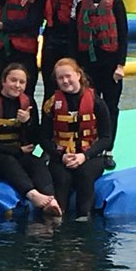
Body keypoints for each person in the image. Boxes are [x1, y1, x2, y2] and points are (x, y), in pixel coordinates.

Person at [0, 62, 62, 216]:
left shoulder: (27, 103)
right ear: (3, 81)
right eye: (13, 80)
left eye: (22, 82)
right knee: (7, 161)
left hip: (14, 154)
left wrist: (27, 123)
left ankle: (51, 201)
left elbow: (34, 140)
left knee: (36, 162)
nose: (17, 85)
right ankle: (32, 194)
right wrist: (17, 151)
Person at [41, 58, 114, 221]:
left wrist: (84, 156)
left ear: (78, 75)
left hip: (90, 156)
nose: (65, 81)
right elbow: (44, 138)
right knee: (61, 178)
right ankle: (57, 221)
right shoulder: (51, 104)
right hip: (61, 156)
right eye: (60, 78)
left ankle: (83, 217)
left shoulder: (96, 102)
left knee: (84, 175)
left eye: (68, 76)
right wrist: (60, 156)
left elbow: (106, 138)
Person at [73, 0, 128, 169]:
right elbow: (72, 33)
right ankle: (89, 147)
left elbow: (123, 35)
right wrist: (75, 66)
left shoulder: (116, 2)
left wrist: (120, 65)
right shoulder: (80, 0)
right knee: (88, 106)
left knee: (110, 107)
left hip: (110, 64)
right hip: (87, 64)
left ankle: (108, 149)